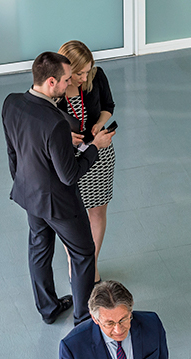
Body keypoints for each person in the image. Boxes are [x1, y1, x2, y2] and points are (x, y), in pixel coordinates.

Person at [2, 51, 115, 325]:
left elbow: (14, 151)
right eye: (66, 80)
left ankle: (48, 308)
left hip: (28, 193)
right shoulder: (56, 123)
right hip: (59, 203)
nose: (69, 86)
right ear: (51, 82)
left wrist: (24, 182)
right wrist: (95, 148)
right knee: (83, 254)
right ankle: (83, 321)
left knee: (39, 248)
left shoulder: (12, 103)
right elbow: (70, 175)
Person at [57, 41, 115, 283]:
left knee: (97, 212)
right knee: (71, 217)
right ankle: (75, 261)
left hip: (99, 154)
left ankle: (91, 262)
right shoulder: (54, 88)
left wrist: (100, 123)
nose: (83, 77)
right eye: (78, 73)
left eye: (87, 71)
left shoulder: (96, 75)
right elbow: (42, 122)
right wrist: (65, 136)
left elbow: (108, 106)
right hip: (69, 159)